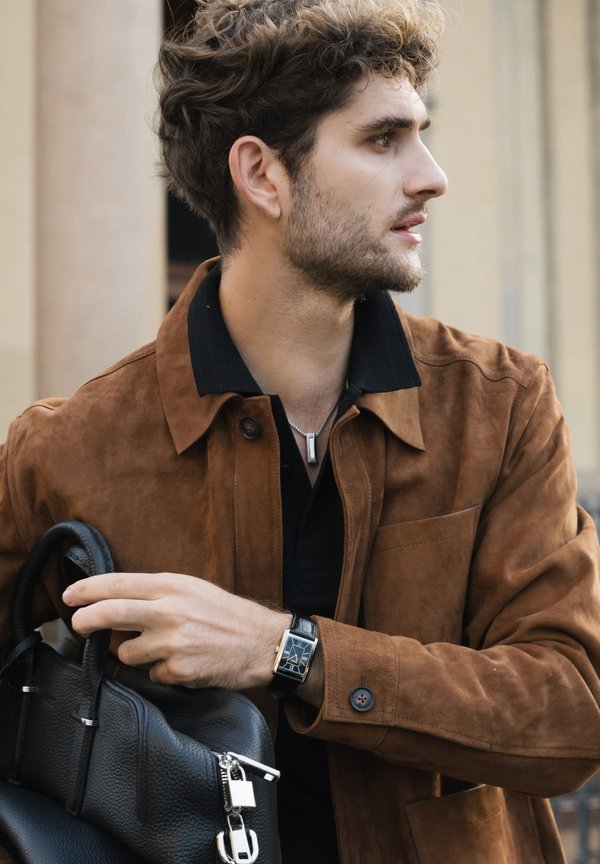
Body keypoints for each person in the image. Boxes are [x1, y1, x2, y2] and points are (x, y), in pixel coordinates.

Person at [1, 0, 600, 861]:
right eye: (383, 139)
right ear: (264, 176)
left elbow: (572, 710)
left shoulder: (499, 405)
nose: (431, 175)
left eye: (421, 134)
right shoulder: (70, 446)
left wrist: (285, 651)